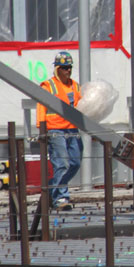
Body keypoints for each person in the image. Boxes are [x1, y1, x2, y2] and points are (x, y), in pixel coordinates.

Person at [36, 51, 83, 211]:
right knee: (61, 164)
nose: (67, 71)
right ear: (57, 69)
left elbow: (82, 106)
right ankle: (61, 198)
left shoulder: (75, 86)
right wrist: (41, 128)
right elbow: (41, 107)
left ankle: (53, 188)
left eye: (69, 67)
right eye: (64, 68)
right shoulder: (48, 86)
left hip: (72, 129)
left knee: (75, 163)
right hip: (55, 129)